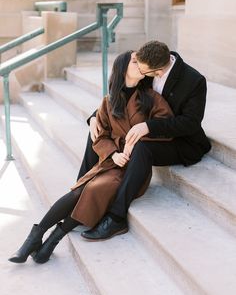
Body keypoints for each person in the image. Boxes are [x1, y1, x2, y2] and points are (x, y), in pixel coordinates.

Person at [8, 50, 173, 264]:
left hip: (133, 169)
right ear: (123, 68)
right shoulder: (108, 102)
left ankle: (51, 240)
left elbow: (165, 127)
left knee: (94, 189)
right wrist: (113, 154)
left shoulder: (151, 98)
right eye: (135, 61)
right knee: (79, 190)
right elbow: (100, 137)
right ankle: (37, 237)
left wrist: (139, 140)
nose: (140, 65)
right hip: (110, 163)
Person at [76, 40, 211, 241]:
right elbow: (123, 93)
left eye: (142, 69)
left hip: (182, 142)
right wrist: (94, 116)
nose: (137, 70)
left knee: (142, 147)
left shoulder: (194, 81)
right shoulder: (149, 60)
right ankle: (79, 194)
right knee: (96, 132)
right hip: (147, 133)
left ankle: (116, 217)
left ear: (157, 72)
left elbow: (190, 123)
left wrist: (148, 126)